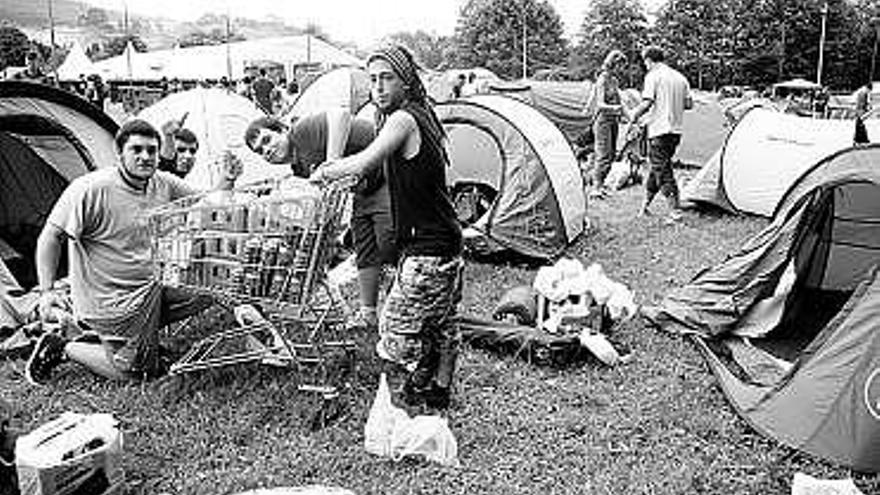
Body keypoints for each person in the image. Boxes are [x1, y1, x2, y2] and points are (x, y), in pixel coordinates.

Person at [24, 119, 243, 385]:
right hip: (111, 300)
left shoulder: (162, 183)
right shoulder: (90, 189)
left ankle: (132, 339)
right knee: (139, 373)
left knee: (211, 287)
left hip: (152, 286)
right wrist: (47, 291)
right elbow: (51, 236)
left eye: (152, 150)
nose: (145, 157)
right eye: (136, 150)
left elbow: (206, 203)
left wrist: (227, 179)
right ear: (119, 155)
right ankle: (62, 347)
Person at [311, 45, 463, 410]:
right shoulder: (417, 114)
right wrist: (349, 180)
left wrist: (326, 171)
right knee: (440, 323)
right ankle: (437, 390)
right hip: (443, 239)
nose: (378, 87)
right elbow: (387, 172)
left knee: (394, 329)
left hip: (429, 246)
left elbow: (365, 161)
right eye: (373, 79)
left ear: (406, 80)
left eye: (387, 78)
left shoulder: (403, 119)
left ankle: (417, 375)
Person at [244, 109, 396, 332]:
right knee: (364, 244)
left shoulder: (301, 133)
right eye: (260, 151)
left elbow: (341, 114)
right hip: (366, 185)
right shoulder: (299, 167)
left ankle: (404, 298)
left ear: (283, 130)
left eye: (267, 140)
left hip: (388, 166)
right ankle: (368, 314)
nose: (266, 150)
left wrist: (332, 163)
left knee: (388, 240)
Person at [625, 46, 692, 223]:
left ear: (648, 59)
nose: (644, 64)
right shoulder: (680, 77)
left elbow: (647, 102)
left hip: (660, 130)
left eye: (644, 61)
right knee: (657, 169)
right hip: (675, 131)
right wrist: (671, 102)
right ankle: (644, 207)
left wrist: (633, 115)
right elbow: (689, 104)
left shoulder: (653, 76)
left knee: (663, 172)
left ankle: (675, 213)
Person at [588, 50, 629, 199]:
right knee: (603, 154)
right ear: (614, 63)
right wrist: (614, 109)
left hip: (613, 120)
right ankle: (595, 188)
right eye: (621, 65)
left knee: (611, 155)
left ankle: (601, 184)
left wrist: (629, 117)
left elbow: (620, 102)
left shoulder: (614, 81)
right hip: (602, 121)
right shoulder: (603, 79)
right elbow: (600, 104)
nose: (622, 69)